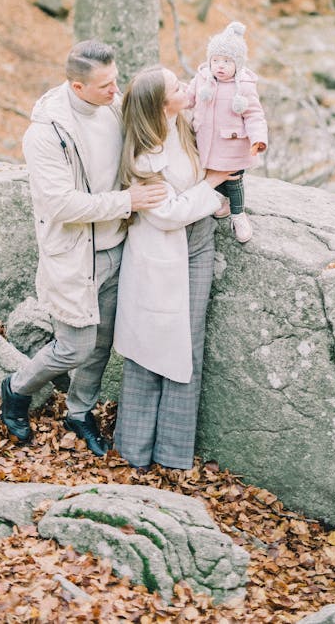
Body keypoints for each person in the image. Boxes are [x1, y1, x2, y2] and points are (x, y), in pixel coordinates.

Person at [0, 40, 168, 454]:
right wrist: (128, 201)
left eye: (117, 80)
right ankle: (16, 390)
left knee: (102, 344)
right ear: (77, 87)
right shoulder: (45, 135)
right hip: (74, 254)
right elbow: (61, 204)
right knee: (74, 346)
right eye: (106, 86)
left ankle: (79, 413)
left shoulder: (112, 107)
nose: (117, 92)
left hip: (118, 246)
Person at [112, 65, 231, 471]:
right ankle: (133, 450)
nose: (186, 87)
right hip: (161, 254)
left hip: (198, 244)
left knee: (188, 346)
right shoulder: (145, 156)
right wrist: (212, 186)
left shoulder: (183, 124)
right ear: (161, 106)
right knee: (149, 347)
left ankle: (173, 455)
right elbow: (167, 215)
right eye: (178, 87)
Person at [187, 20, 268, 243]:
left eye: (226, 61)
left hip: (232, 142)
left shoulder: (244, 87)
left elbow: (254, 115)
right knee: (211, 173)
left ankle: (238, 213)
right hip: (205, 139)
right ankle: (220, 201)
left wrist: (258, 138)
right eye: (216, 60)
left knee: (233, 179)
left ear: (238, 64)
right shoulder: (202, 79)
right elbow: (188, 98)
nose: (220, 66)